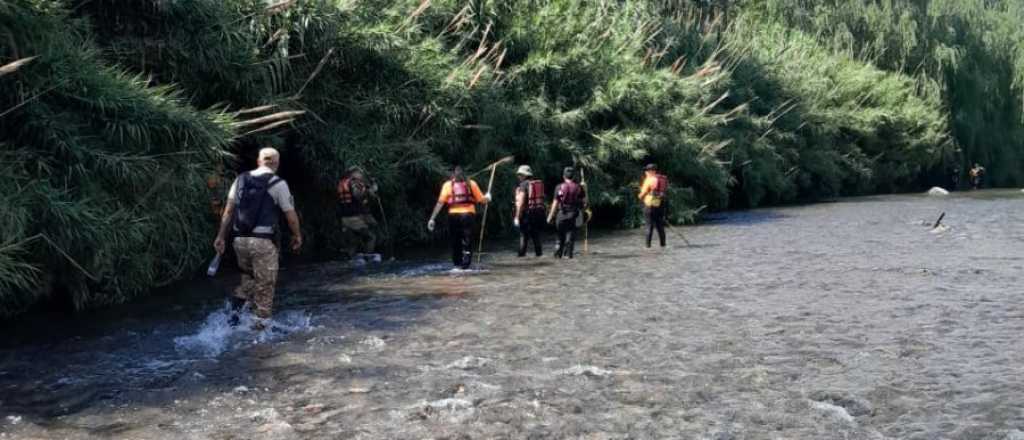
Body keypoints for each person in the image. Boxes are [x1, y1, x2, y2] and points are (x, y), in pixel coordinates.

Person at [213, 147, 302, 330]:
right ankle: (260, 335)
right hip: (262, 241)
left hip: (239, 241)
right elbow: (290, 216)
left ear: (259, 161)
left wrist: (221, 236)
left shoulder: (240, 179)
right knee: (265, 287)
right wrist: (297, 236)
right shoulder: (278, 183)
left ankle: (231, 322)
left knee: (248, 281)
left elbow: (228, 211)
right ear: (276, 163)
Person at [427, 166, 491, 269]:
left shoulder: (447, 185)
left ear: (453, 175)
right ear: (464, 174)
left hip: (453, 216)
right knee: (467, 240)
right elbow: (481, 200)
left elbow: (440, 203)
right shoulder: (471, 184)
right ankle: (465, 266)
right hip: (468, 215)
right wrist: (488, 197)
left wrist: (432, 218)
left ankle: (457, 265)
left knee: (455, 240)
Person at [337, 166, 380, 264]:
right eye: (359, 173)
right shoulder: (353, 183)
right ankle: (369, 258)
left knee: (353, 242)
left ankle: (351, 261)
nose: (361, 175)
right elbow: (358, 196)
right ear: (353, 174)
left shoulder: (342, 183)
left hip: (345, 219)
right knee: (371, 237)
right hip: (354, 218)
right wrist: (369, 191)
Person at [547, 166, 587, 259]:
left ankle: (557, 257)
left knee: (559, 239)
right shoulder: (579, 187)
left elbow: (555, 204)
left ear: (563, 176)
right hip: (573, 216)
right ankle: (568, 256)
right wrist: (585, 189)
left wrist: (549, 217)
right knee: (569, 239)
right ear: (573, 177)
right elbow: (585, 203)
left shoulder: (559, 187)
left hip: (561, 216)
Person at [513, 165, 546, 257]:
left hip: (527, 215)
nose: (518, 176)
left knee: (523, 236)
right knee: (536, 236)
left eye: (520, 174)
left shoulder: (523, 184)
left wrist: (517, 216)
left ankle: (521, 257)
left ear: (524, 175)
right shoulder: (535, 183)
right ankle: (539, 256)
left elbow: (521, 201)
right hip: (537, 214)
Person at [637, 163, 668, 248]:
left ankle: (647, 247)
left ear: (651, 171)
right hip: (660, 204)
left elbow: (642, 194)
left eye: (647, 170)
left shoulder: (649, 179)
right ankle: (663, 245)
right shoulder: (663, 179)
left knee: (649, 226)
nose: (645, 172)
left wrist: (639, 196)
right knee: (660, 226)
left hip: (650, 205)